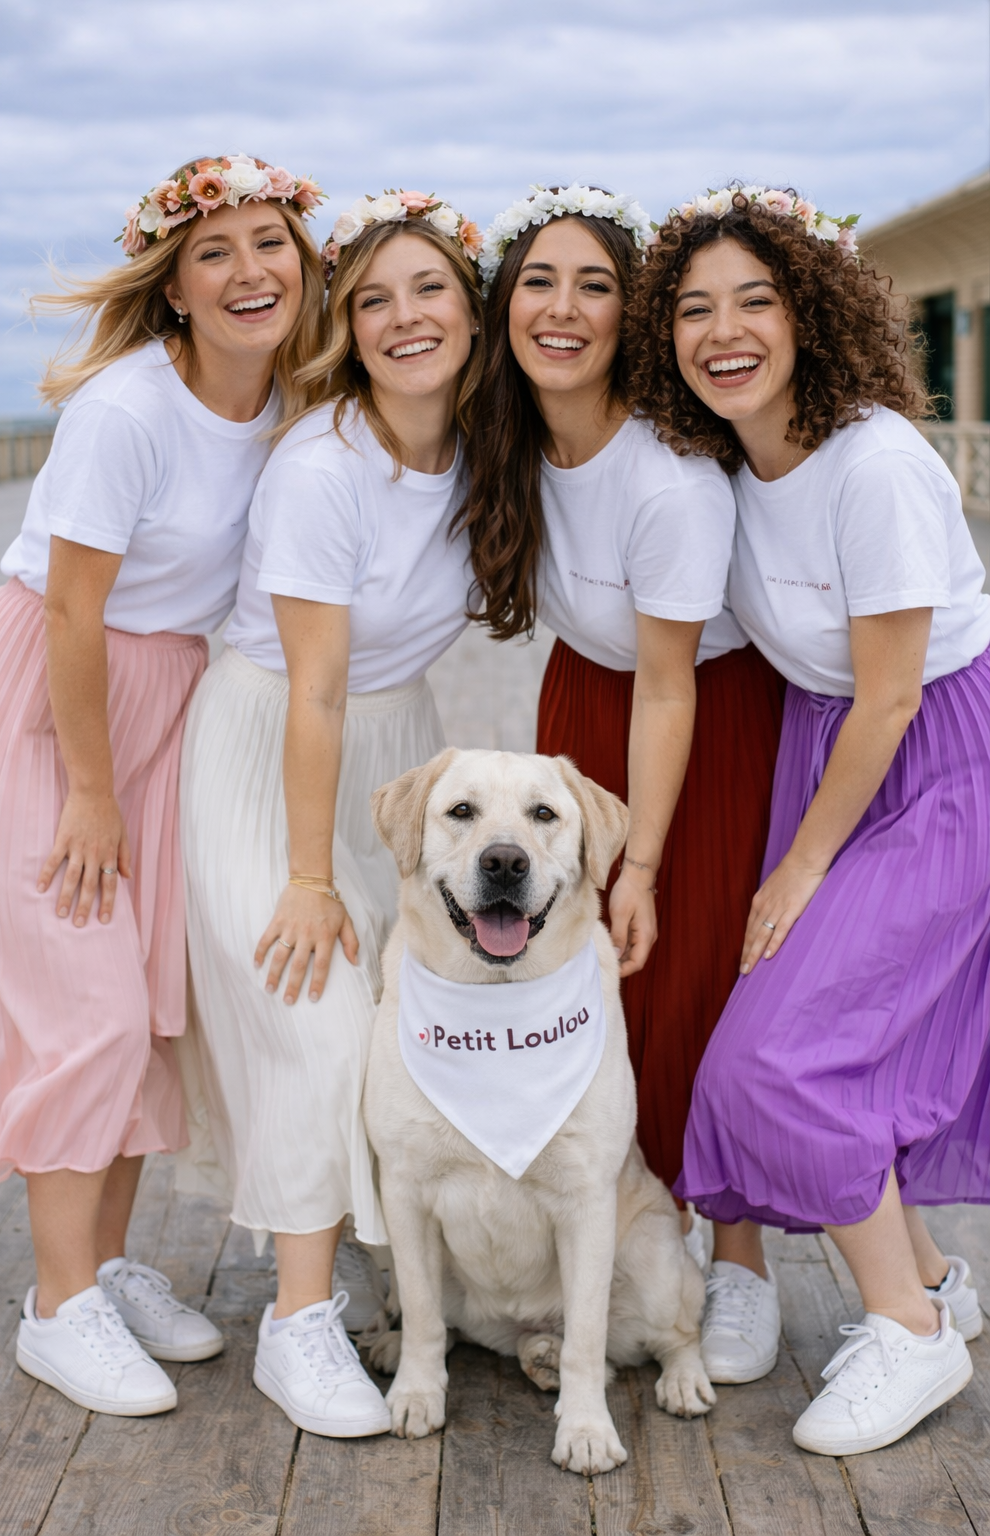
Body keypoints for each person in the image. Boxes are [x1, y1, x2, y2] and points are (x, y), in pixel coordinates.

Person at [630, 183, 989, 1454]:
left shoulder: (875, 462)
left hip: (934, 758)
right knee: (829, 1035)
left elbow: (893, 697)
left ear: (812, 316)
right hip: (828, 745)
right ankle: (935, 1279)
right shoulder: (728, 464)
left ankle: (907, 1330)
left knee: (777, 1054)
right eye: (692, 310)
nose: (722, 331)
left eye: (754, 302)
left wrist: (797, 869)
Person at [0, 153, 326, 1416]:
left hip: (173, 701)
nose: (248, 272)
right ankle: (54, 1310)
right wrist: (90, 789)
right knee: (86, 1010)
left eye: (269, 243)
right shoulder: (126, 410)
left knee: (143, 1005)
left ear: (304, 262)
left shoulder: (293, 399)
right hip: (54, 704)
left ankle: (102, 1266)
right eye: (213, 253)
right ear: (171, 287)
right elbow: (70, 608)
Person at [179, 189, 484, 1438]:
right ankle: (295, 1323)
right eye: (372, 299)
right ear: (345, 328)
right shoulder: (324, 465)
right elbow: (312, 691)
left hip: (397, 733)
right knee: (312, 1006)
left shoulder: (484, 443)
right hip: (274, 741)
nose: (404, 317)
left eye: (429, 291)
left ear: (472, 310)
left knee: (391, 1019)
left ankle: (355, 1257)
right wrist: (311, 875)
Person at [458, 186, 784, 1297]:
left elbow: (668, 686)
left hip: (700, 710)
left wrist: (636, 857)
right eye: (538, 281)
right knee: (591, 986)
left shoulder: (669, 478)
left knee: (692, 971)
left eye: (594, 285)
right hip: (583, 706)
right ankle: (611, 1228)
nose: (562, 308)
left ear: (628, 315)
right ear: (503, 306)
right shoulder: (507, 440)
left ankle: (732, 1261)